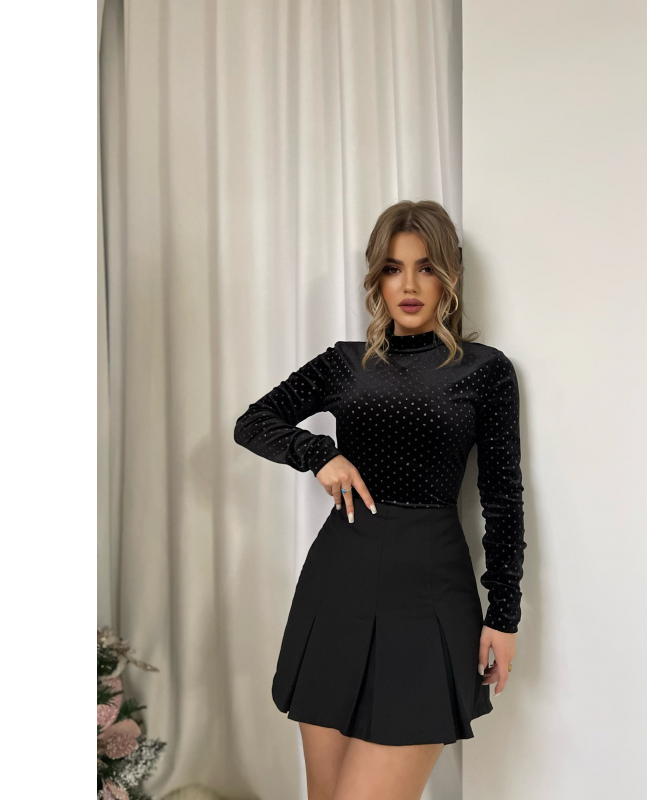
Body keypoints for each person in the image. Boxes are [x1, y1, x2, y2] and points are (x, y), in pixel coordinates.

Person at [234, 200, 526, 800]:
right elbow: (254, 422)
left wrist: (504, 614)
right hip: (338, 584)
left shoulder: (485, 371)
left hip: (429, 594)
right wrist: (319, 454)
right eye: (393, 268)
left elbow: (502, 498)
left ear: (450, 275)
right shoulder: (345, 363)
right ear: (377, 278)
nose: (409, 285)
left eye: (426, 267)